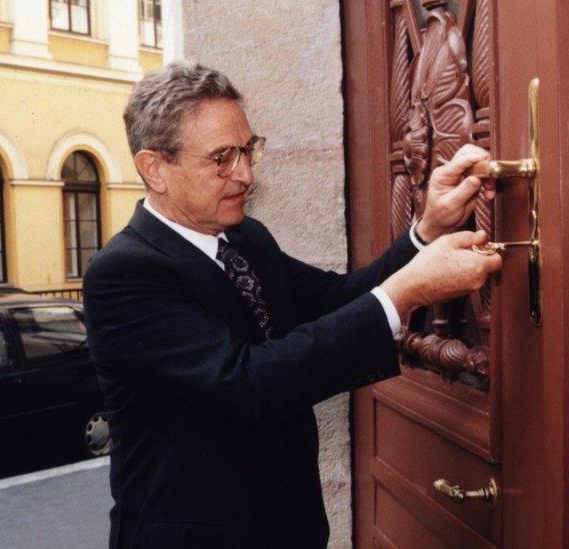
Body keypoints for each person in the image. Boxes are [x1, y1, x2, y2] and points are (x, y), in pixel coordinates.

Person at [82, 61, 502, 548]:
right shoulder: (123, 273)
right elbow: (250, 381)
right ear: (154, 168)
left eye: (248, 149)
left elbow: (337, 301)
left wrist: (426, 231)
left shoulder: (246, 237)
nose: (246, 174)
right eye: (222, 158)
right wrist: (408, 290)